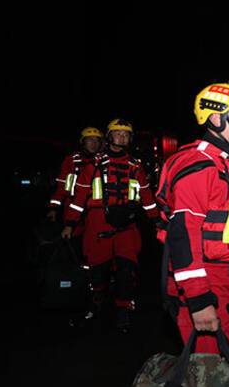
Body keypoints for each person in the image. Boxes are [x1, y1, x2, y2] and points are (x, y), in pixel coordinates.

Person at [156, 83, 229, 373]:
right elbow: (183, 235)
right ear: (217, 119)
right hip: (206, 283)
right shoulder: (197, 165)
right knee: (215, 374)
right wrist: (199, 299)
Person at [62, 118, 159, 333]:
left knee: (127, 271)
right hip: (98, 224)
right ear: (110, 136)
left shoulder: (136, 166)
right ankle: (95, 305)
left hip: (127, 227)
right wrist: (70, 223)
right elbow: (79, 197)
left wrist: (156, 220)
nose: (122, 137)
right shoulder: (94, 164)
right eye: (118, 133)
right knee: (97, 271)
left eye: (126, 134)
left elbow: (146, 196)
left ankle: (123, 311)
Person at [47, 127, 103, 229]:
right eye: (90, 139)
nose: (94, 143)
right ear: (83, 142)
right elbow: (61, 186)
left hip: (96, 210)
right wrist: (53, 208)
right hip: (71, 205)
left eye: (97, 140)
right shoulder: (71, 160)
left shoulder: (104, 161)